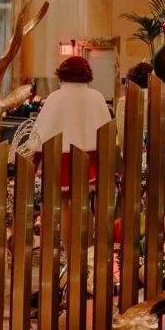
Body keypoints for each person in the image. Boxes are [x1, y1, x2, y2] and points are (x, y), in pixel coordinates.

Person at [23, 55, 112, 248]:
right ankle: (86, 251)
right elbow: (107, 131)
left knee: (62, 205)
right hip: (89, 156)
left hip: (59, 156)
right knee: (84, 204)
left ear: (62, 75)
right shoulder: (96, 97)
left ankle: (68, 251)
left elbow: (40, 132)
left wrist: (35, 158)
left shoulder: (55, 98)